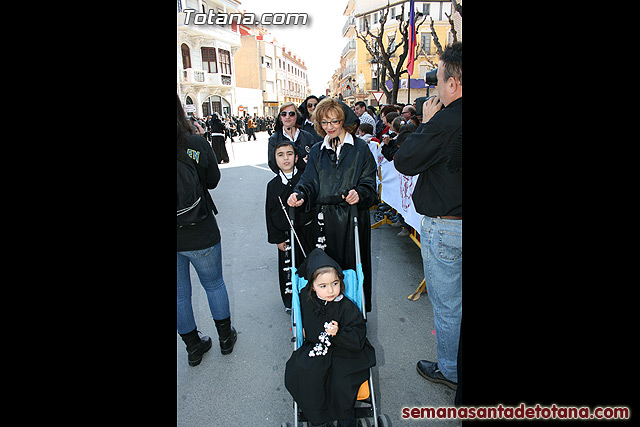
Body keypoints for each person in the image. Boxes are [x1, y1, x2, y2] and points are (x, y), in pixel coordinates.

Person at [394, 42, 462, 390]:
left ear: (452, 84)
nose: (435, 89)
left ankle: (450, 370)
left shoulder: (445, 121)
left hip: (448, 229)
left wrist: (427, 123)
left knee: (449, 307)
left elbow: (404, 161)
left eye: (438, 81)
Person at [287, 97, 377, 313]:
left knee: (353, 271)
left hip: (351, 219)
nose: (329, 127)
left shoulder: (360, 148)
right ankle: (326, 318)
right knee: (326, 275)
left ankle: (354, 316)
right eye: (324, 123)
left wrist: (360, 193)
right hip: (323, 221)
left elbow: (369, 184)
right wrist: (299, 194)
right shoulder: (317, 150)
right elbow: (308, 181)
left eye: (334, 122)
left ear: (343, 121)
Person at [176, 95, 237, 366]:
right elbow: (213, 180)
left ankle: (193, 347)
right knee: (213, 284)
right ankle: (225, 339)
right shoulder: (194, 143)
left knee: (179, 295)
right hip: (199, 227)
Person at [285, 248, 376, 427]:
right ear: (312, 286)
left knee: (342, 380)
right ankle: (317, 419)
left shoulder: (346, 306)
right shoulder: (306, 298)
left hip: (346, 350)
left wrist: (340, 333)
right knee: (305, 373)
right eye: (323, 286)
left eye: (335, 283)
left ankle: (346, 420)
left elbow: (358, 335)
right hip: (316, 347)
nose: (330, 290)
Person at [265, 140, 315, 311]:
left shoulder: (305, 177)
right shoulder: (272, 185)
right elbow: (269, 213)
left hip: (307, 230)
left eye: (289, 154)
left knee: (310, 262)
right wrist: (277, 239)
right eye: (280, 155)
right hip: (285, 234)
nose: (285, 158)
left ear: (296, 157)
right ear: (274, 159)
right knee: (287, 267)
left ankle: (312, 295)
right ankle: (290, 299)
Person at [267, 102, 317, 174]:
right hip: (285, 181)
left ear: (297, 116)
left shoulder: (308, 137)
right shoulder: (274, 139)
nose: (287, 117)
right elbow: (272, 163)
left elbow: (317, 159)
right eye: (284, 114)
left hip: (307, 181)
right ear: (280, 117)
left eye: (291, 114)